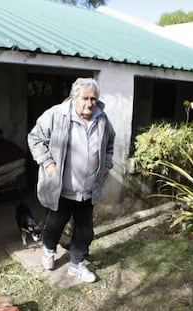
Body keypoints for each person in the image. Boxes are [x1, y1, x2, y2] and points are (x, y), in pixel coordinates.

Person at [27, 77, 115, 283]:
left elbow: (109, 144)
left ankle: (77, 264)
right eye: (85, 97)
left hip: (88, 190)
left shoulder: (102, 119)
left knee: (85, 232)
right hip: (62, 189)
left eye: (94, 98)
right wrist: (47, 162)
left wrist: (107, 166)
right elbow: (35, 138)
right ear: (75, 97)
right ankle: (49, 251)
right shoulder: (56, 115)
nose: (90, 102)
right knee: (53, 227)